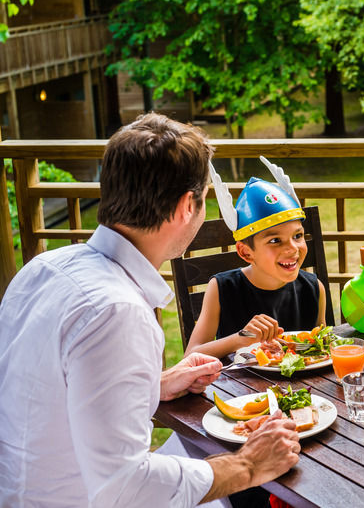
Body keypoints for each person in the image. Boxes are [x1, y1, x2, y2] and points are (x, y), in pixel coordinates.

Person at [0, 113, 301, 507]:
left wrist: (153, 387)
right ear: (183, 208)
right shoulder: (116, 311)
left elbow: (48, 395)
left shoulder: (43, 268)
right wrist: (246, 466)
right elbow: (124, 488)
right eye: (203, 199)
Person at [184, 159, 327, 359]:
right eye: (276, 240)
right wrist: (241, 338)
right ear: (245, 252)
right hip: (236, 389)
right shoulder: (222, 288)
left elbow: (322, 349)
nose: (292, 248)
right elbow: (190, 356)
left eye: (298, 236)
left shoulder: (314, 288)